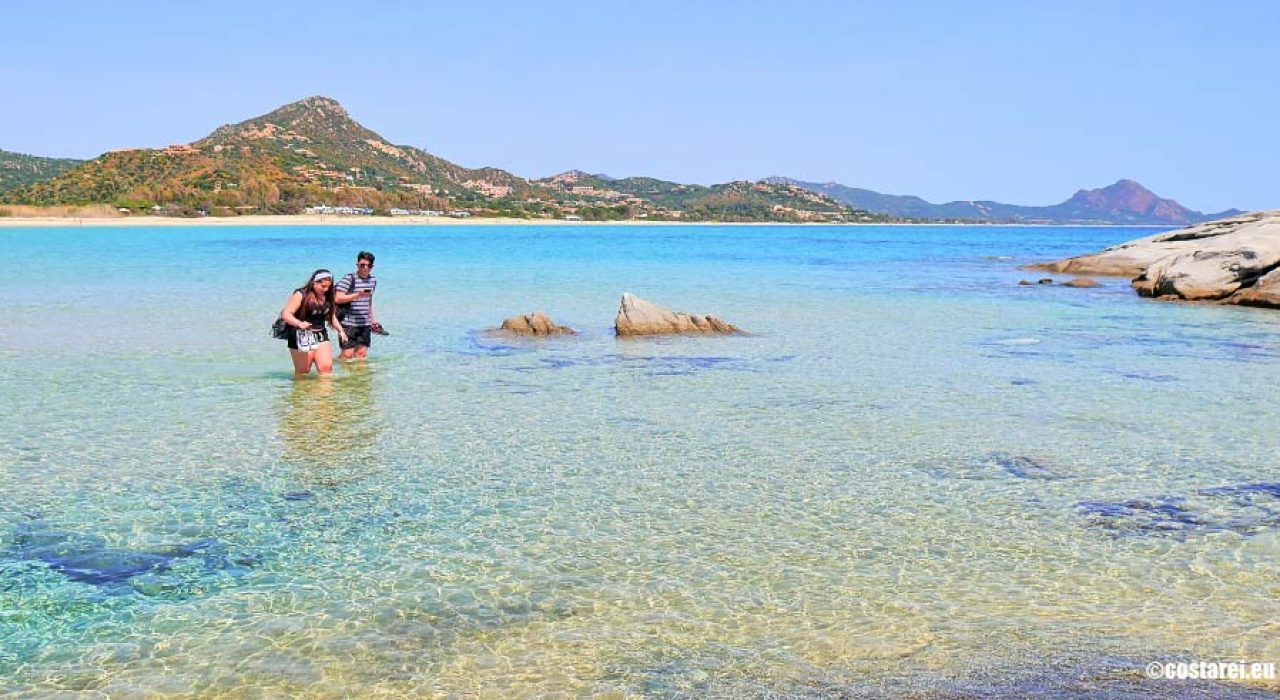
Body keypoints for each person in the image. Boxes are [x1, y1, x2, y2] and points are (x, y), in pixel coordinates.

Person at [279, 269, 347, 376]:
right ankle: (301, 387)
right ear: (314, 282)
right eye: (323, 286)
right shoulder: (301, 294)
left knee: (326, 368)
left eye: (328, 286)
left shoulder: (328, 296)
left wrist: (341, 331)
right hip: (301, 335)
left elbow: (331, 316)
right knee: (303, 371)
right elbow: (286, 314)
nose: (326, 289)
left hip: (321, 334)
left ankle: (325, 388)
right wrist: (299, 323)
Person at [335, 251, 380, 361]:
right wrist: (357, 295)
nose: (365, 268)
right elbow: (337, 298)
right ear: (357, 265)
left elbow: (369, 301)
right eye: (362, 265)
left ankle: (358, 374)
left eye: (368, 265)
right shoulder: (349, 279)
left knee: (361, 355)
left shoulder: (373, 280)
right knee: (347, 355)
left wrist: (373, 320)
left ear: (372, 266)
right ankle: (335, 366)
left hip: (365, 323)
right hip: (347, 323)